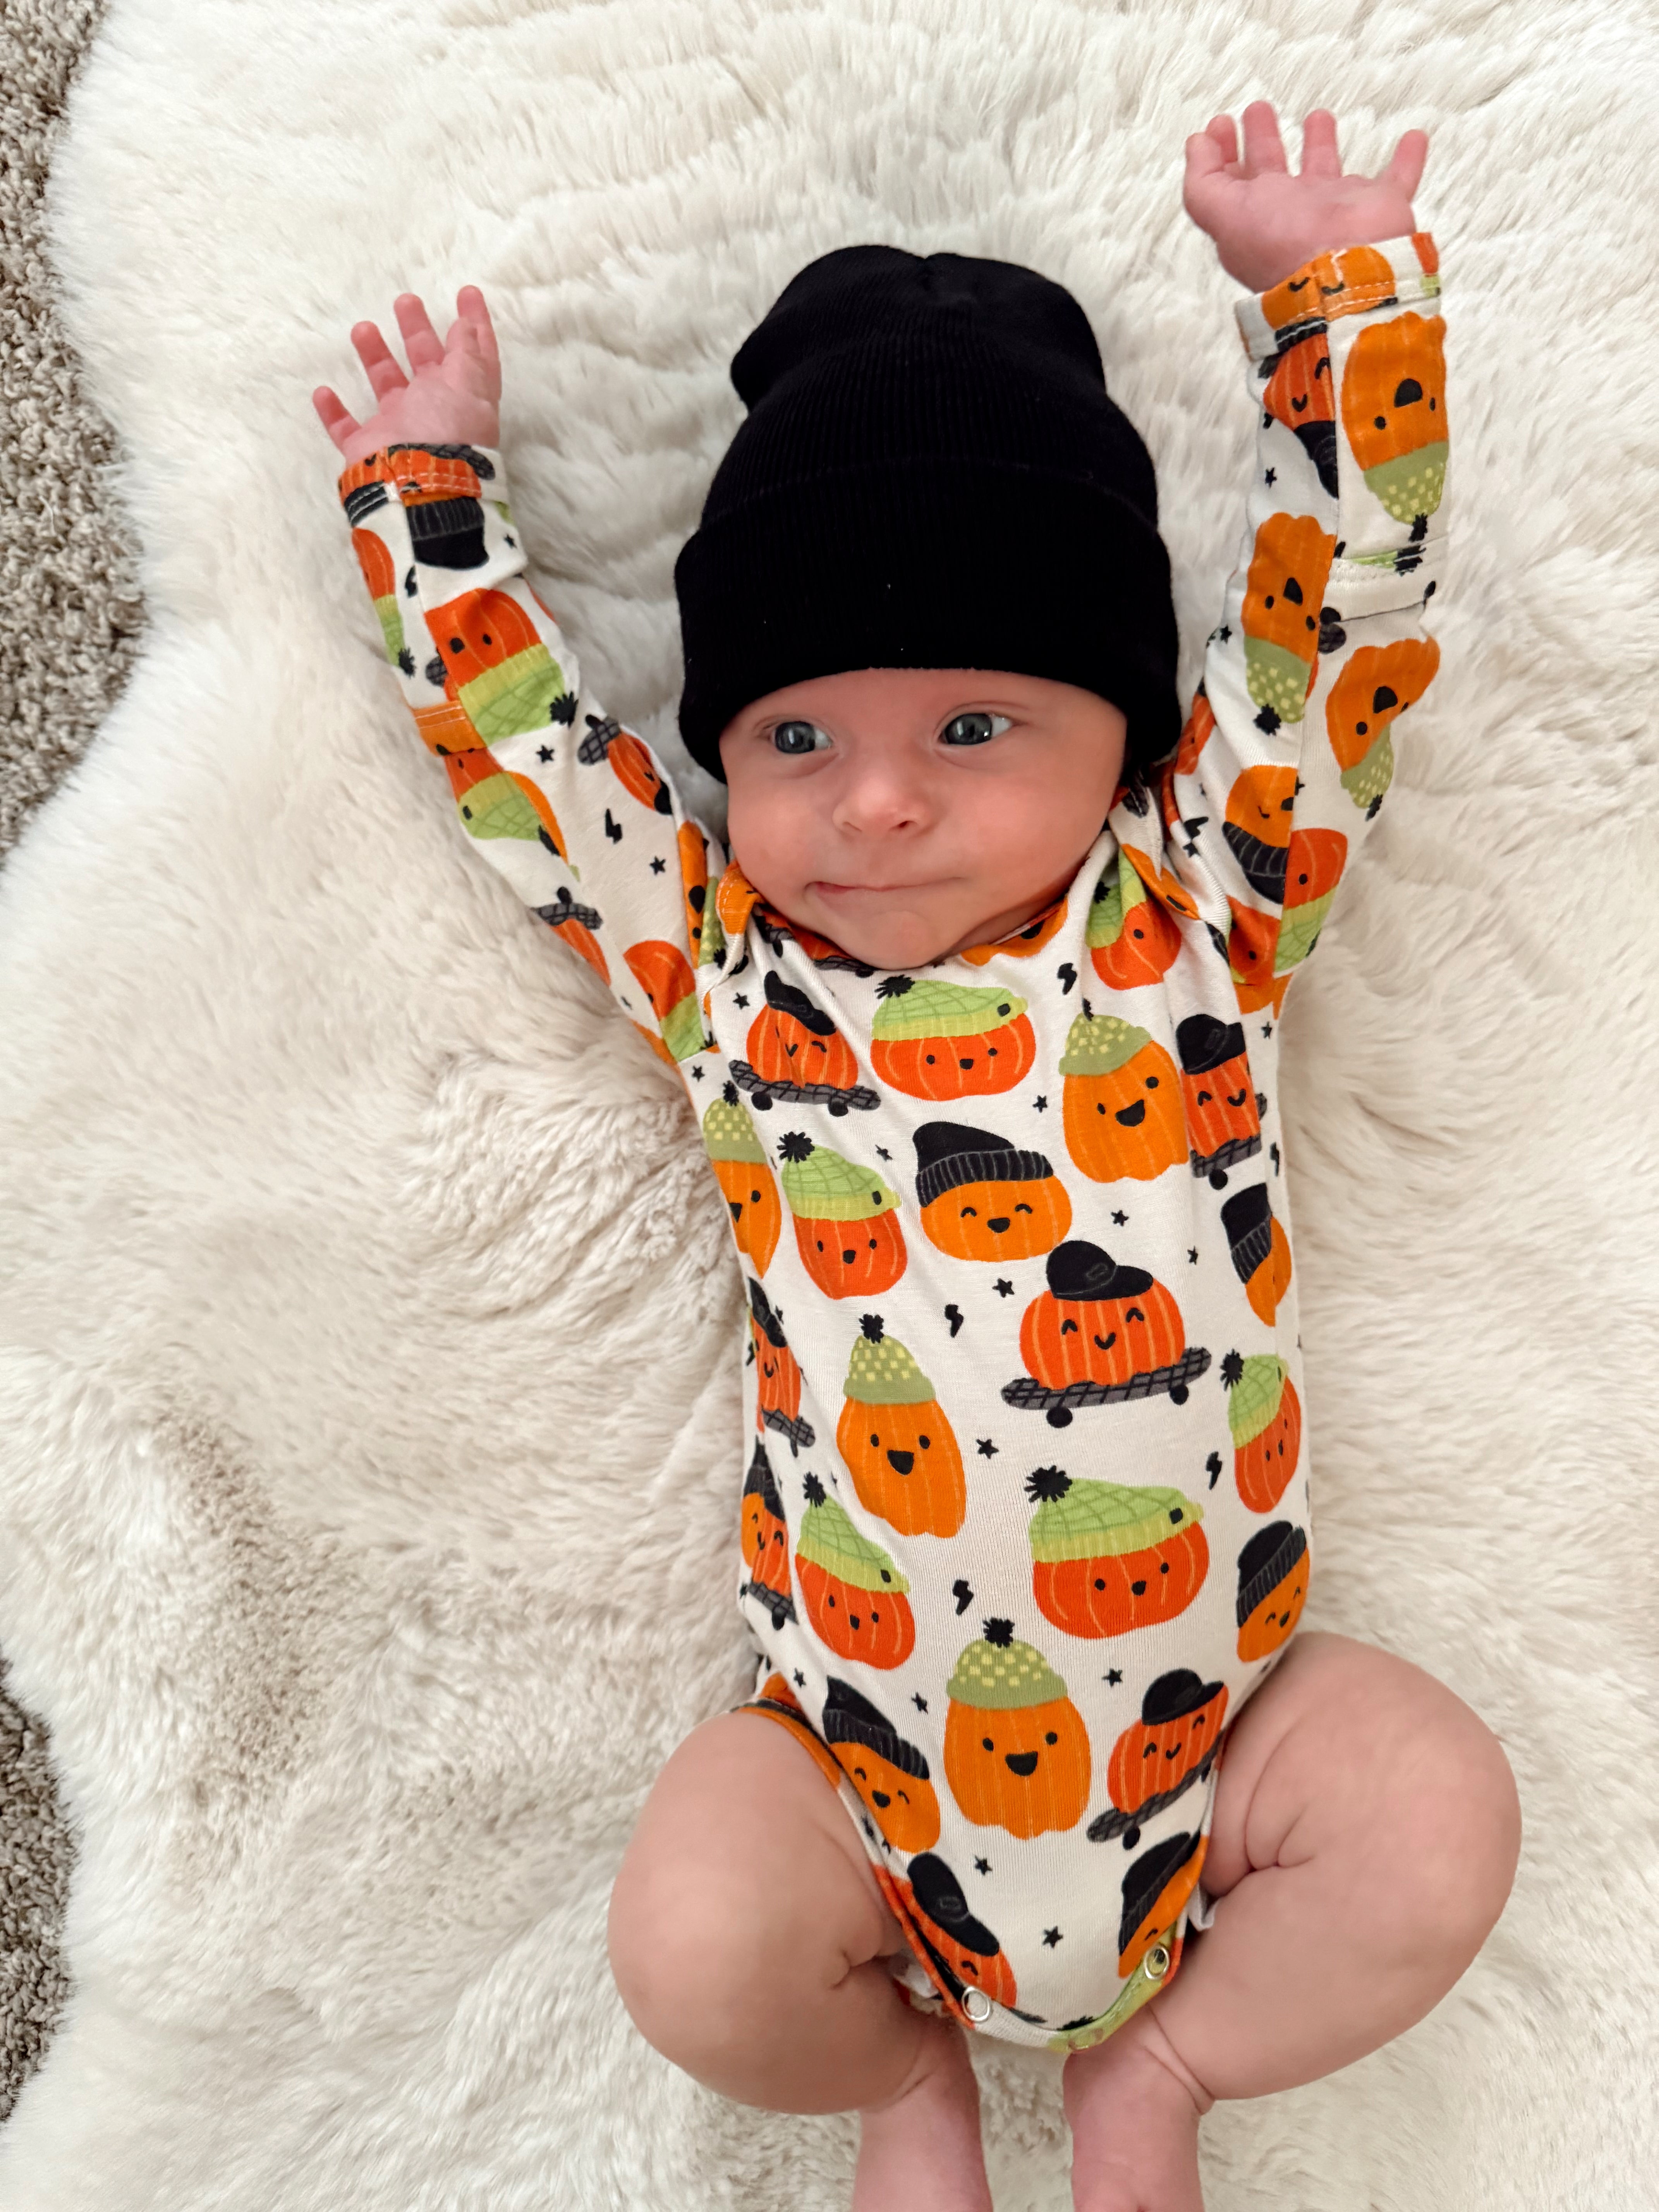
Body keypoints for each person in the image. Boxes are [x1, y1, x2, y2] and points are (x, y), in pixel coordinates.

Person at [314, 100, 1520, 2212]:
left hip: (1229, 1748)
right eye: (797, 739)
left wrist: (1338, 314)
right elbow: (537, 778)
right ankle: (902, 2086)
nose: (873, 805)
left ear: (1123, 735)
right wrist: (424, 510)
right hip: (853, 1776)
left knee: (1438, 1820)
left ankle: (1169, 2069)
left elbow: (1339, 639)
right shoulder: (729, 973)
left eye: (971, 729)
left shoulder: (1202, 911)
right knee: (695, 1949)